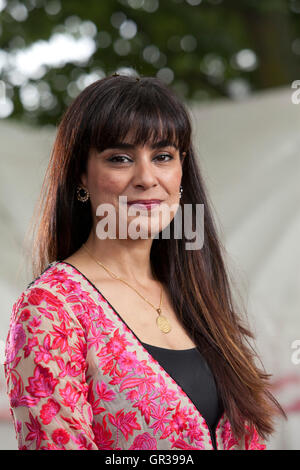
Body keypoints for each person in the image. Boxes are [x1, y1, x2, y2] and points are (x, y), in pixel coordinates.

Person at [4, 74, 286, 450]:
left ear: (182, 171)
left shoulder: (196, 296)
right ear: (81, 176)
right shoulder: (52, 309)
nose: (146, 178)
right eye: (120, 158)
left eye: (163, 156)